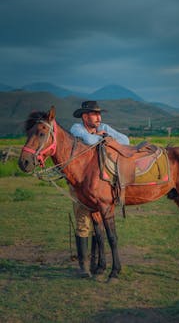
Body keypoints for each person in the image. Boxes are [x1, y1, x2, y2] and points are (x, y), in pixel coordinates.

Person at [70, 100, 129, 277]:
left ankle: (97, 262)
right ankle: (83, 266)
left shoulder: (103, 126)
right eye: (95, 114)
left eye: (99, 114)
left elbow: (125, 140)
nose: (98, 117)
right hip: (80, 184)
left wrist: (105, 136)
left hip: (99, 183)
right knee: (83, 222)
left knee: (99, 220)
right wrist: (104, 138)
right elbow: (88, 140)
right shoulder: (76, 129)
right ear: (85, 116)